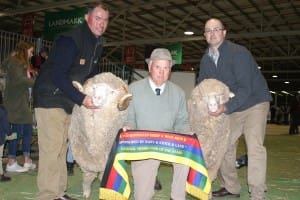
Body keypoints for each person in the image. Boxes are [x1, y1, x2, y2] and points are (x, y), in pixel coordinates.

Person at [33, 2, 109, 200]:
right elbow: (58, 75)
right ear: (87, 18)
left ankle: (59, 192)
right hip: (50, 96)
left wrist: (99, 92)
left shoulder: (97, 43)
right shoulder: (71, 39)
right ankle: (48, 195)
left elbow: (90, 75)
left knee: (61, 148)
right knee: (51, 149)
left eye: (105, 20)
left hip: (67, 100)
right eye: (98, 18)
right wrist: (83, 99)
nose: (101, 23)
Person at [197, 18, 272, 200]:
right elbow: (202, 86)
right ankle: (231, 187)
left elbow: (246, 88)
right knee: (224, 146)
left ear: (224, 32)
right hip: (232, 106)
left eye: (216, 29)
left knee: (255, 147)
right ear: (205, 36)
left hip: (255, 102)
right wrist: (201, 106)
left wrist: (225, 107)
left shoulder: (238, 53)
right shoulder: (206, 60)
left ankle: (257, 193)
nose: (212, 33)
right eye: (208, 30)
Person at [123, 48, 192, 200]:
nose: (162, 72)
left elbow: (182, 121)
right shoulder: (133, 89)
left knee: (187, 157)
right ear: (150, 67)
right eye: (158, 67)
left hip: (170, 145)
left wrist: (186, 132)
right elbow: (129, 117)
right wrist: (129, 127)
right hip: (144, 146)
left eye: (166, 68)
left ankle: (177, 197)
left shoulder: (178, 93)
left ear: (170, 70)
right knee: (142, 196)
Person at [2, 40, 36, 173]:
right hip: (15, 103)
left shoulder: (21, 64)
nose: (32, 54)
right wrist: (35, 83)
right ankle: (11, 162)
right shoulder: (15, 63)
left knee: (27, 128)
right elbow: (19, 80)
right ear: (24, 50)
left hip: (21, 102)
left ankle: (26, 159)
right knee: (16, 130)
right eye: (31, 51)